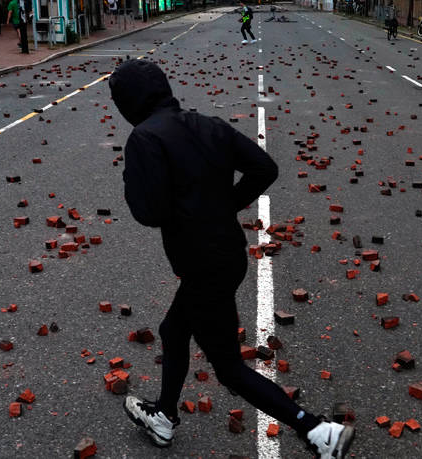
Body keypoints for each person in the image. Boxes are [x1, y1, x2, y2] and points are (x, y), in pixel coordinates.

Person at [109, 59, 355, 459]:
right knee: (173, 331)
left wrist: (136, 181)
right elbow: (264, 168)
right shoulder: (209, 125)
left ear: (129, 101)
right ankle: (164, 417)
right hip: (227, 257)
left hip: (203, 267)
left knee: (228, 368)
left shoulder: (145, 138)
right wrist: (225, 206)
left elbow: (148, 212)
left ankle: (317, 431)